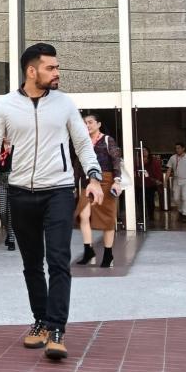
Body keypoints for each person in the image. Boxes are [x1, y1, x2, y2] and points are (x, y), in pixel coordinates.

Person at [0, 43, 103, 361]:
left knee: (59, 260)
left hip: (58, 192)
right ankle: (41, 320)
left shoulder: (65, 104)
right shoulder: (5, 106)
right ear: (31, 71)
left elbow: (82, 143)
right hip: (20, 193)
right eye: (51, 68)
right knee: (32, 263)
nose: (57, 72)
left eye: (57, 67)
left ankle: (57, 328)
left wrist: (93, 176)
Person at [74, 113, 122, 268]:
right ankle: (88, 251)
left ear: (99, 124)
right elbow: (77, 164)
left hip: (106, 180)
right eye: (84, 123)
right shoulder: (82, 141)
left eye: (90, 122)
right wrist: (74, 184)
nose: (87, 125)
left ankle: (108, 254)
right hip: (87, 182)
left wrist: (117, 181)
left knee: (107, 218)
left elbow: (116, 161)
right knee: (83, 215)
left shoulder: (107, 140)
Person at [166, 142, 186, 221]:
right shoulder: (173, 158)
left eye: (179, 148)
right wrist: (165, 180)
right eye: (176, 148)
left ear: (183, 148)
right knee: (176, 198)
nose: (177, 150)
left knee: (184, 197)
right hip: (176, 180)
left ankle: (185, 214)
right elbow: (169, 169)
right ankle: (180, 210)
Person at [0, 137, 16, 251]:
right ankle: (9, 232)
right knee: (2, 211)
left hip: (14, 182)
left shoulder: (17, 146)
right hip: (1, 182)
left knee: (11, 212)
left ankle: (11, 239)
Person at [135, 146, 163, 223]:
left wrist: (157, 179)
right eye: (142, 150)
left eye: (145, 150)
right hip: (139, 184)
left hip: (150, 184)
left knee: (150, 201)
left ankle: (151, 215)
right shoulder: (137, 161)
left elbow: (158, 171)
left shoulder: (154, 161)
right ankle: (142, 215)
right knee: (140, 201)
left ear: (148, 152)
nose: (144, 152)